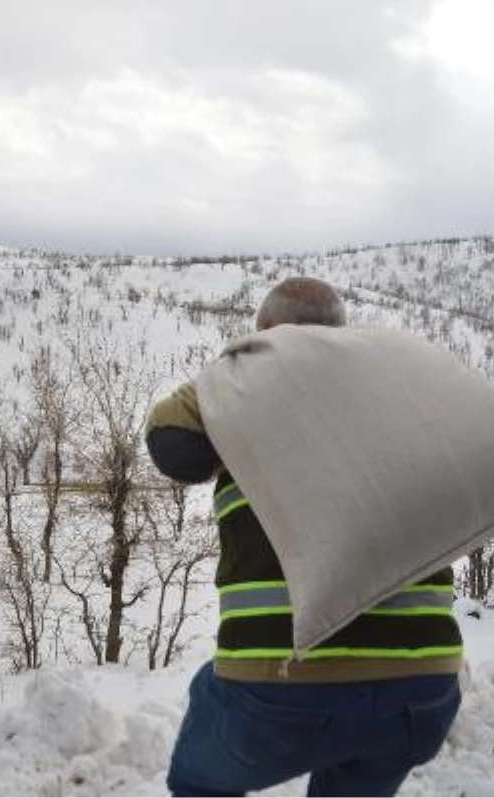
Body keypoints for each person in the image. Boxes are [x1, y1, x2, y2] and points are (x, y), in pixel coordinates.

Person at [147, 278, 463, 798]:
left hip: (281, 688)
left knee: (199, 778)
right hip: (424, 689)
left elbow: (174, 450)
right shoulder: (402, 394)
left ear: (266, 334)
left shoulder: (244, 392)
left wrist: (228, 373)